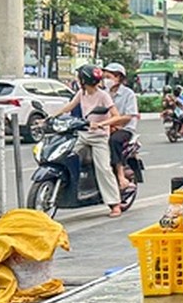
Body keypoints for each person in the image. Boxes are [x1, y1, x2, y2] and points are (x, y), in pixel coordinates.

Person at [50, 65, 123, 217]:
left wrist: (101, 124)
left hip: (99, 137)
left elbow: (116, 116)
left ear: (84, 80)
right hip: (83, 134)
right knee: (63, 155)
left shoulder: (103, 96)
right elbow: (70, 106)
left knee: (103, 168)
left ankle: (115, 204)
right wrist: (50, 117)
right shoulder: (81, 93)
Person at [101, 63, 138, 192]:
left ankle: (121, 176)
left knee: (114, 141)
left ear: (118, 77)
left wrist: (113, 124)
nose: (106, 80)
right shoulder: (103, 93)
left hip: (125, 129)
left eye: (108, 76)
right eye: (104, 77)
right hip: (104, 127)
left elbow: (128, 116)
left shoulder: (129, 94)